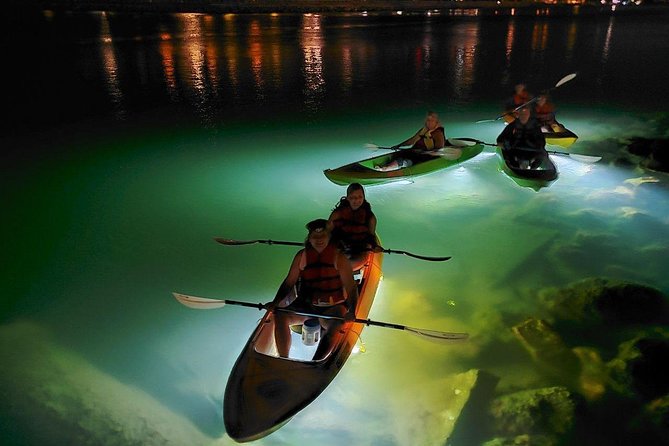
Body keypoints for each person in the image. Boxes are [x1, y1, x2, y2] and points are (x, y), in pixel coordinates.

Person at [266, 219, 358, 359]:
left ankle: (316, 362)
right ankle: (283, 358)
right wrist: (275, 302)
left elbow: (351, 288)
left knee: (337, 325)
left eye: (323, 236)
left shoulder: (339, 258)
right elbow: (289, 283)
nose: (319, 240)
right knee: (280, 315)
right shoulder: (301, 256)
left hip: (332, 307)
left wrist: (352, 310)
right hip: (307, 305)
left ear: (329, 237)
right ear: (309, 238)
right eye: (315, 237)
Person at [374, 111, 446, 171]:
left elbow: (439, 151)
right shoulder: (424, 130)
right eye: (428, 120)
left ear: (436, 122)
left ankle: (385, 169)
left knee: (410, 160)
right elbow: (412, 140)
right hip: (417, 151)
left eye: (431, 120)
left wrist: (425, 152)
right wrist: (399, 145)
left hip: (428, 156)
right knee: (401, 153)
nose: (429, 122)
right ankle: (388, 166)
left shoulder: (438, 133)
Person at [328, 183, 379, 260]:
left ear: (364, 197)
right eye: (353, 197)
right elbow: (327, 231)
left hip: (359, 247)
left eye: (360, 197)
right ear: (348, 198)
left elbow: (371, 235)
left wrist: (374, 246)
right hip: (341, 245)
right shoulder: (338, 213)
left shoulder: (370, 217)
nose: (357, 200)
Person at [496, 105, 547, 170]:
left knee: (543, 154)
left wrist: (539, 148)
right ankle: (515, 168)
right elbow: (501, 137)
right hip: (515, 150)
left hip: (531, 151)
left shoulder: (535, 126)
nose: (524, 116)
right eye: (522, 114)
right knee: (508, 153)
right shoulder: (513, 125)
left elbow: (542, 140)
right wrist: (501, 143)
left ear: (529, 115)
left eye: (526, 114)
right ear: (519, 115)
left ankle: (533, 169)